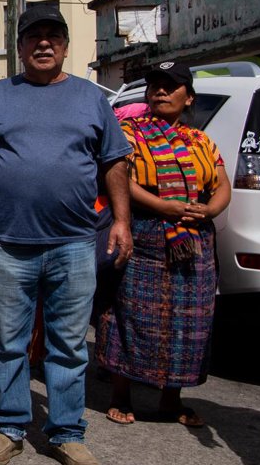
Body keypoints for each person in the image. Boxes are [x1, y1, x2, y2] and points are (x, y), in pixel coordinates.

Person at [0, 2, 132, 465]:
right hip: (7, 241)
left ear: (65, 46)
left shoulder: (92, 99)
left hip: (73, 241)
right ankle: (8, 427)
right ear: (20, 47)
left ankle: (68, 435)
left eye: (53, 36)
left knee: (68, 345)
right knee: (7, 341)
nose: (43, 43)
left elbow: (114, 162)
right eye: (33, 36)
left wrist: (122, 221)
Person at [95, 61, 230, 427]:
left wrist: (207, 211)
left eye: (170, 86)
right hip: (145, 230)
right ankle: (121, 394)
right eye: (155, 85)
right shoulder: (128, 132)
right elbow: (119, 176)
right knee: (130, 311)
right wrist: (162, 206)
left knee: (189, 321)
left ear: (189, 97)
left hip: (193, 237)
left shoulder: (201, 140)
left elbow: (220, 183)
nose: (161, 91)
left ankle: (172, 398)